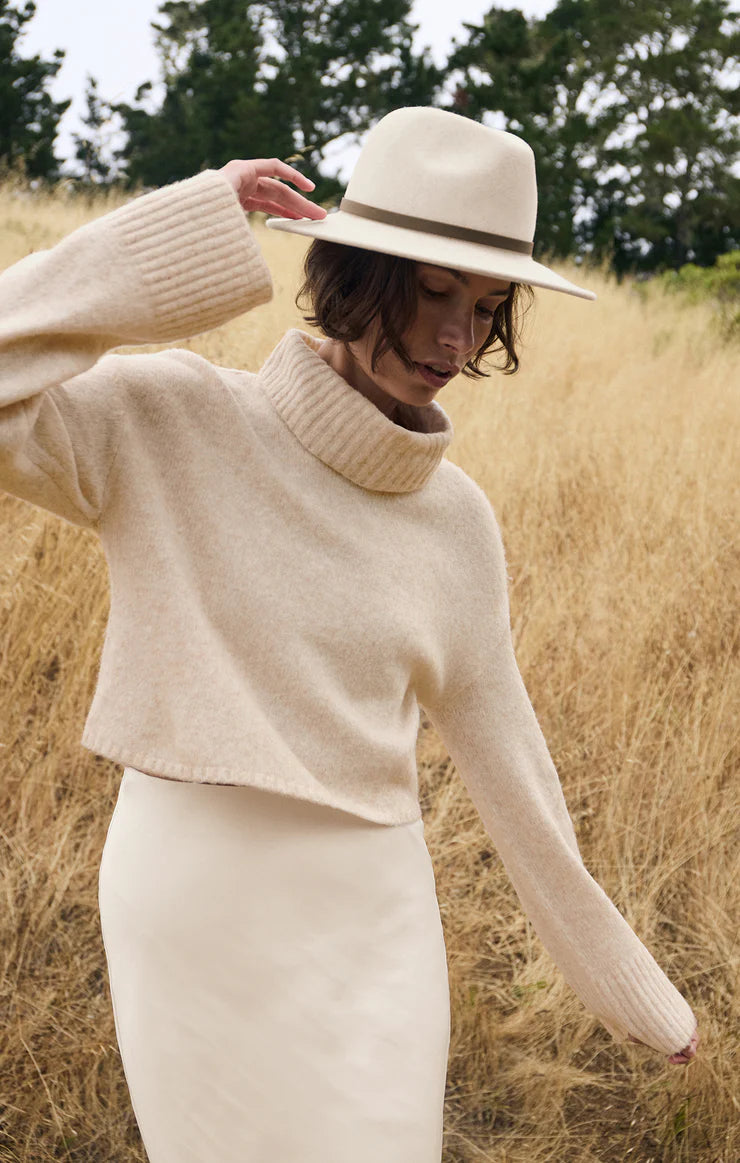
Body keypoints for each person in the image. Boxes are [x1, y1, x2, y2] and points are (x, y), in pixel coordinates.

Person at [0, 105, 698, 1162]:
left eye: (486, 306)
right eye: (432, 291)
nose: (457, 340)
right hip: (194, 905)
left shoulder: (457, 521)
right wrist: (180, 228)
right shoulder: (171, 419)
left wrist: (626, 984)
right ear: (352, 274)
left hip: (374, 918)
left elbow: (510, 761)